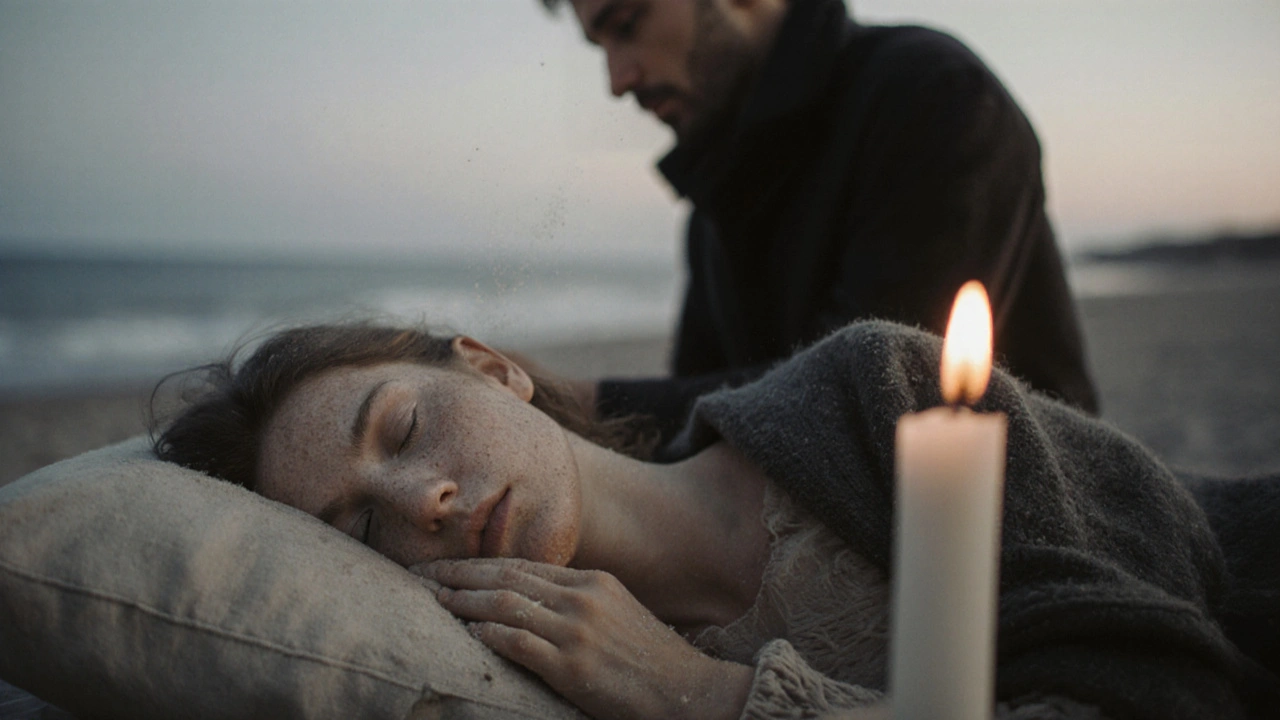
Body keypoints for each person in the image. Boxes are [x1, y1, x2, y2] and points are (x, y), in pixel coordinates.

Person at [154, 319, 1277, 720]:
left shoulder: (868, 391)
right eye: (358, 531)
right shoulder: (550, 679)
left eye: (399, 430)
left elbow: (1177, 684)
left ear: (493, 370)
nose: (421, 504)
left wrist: (706, 698)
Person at [534, 0, 1099, 439]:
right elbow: (696, 414)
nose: (617, 81)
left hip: (1027, 535)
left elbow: (868, 395)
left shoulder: (934, 96)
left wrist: (580, 402)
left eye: (628, 25)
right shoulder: (715, 204)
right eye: (598, 45)